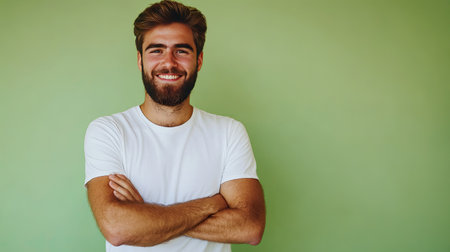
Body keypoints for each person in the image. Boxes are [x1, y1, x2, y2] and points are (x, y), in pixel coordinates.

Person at [84, 1, 266, 251]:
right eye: (156, 50)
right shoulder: (109, 131)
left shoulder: (229, 132)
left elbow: (250, 227)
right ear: (140, 61)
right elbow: (117, 228)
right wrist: (212, 205)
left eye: (181, 51)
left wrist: (146, 214)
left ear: (199, 60)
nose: (168, 62)